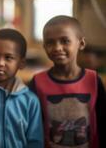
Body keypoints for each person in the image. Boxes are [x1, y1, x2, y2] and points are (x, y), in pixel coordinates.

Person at [30, 15, 106, 148]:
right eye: (50, 42)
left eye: (65, 41)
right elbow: (33, 126)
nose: (57, 47)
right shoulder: (37, 82)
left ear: (81, 43)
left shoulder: (93, 80)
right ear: (44, 46)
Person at [0, 29, 43, 148]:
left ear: (21, 63)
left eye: (8, 57)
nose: (0, 63)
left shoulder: (30, 101)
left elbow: (35, 142)